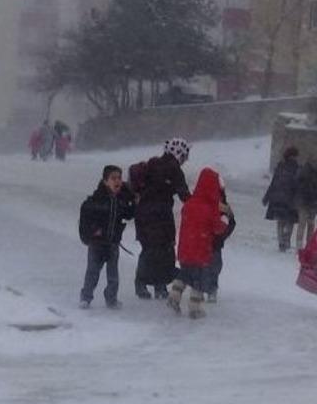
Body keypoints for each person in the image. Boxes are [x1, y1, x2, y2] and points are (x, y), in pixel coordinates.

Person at [167, 167, 229, 319]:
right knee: (199, 281)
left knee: (185, 274)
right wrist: (225, 218)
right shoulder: (211, 208)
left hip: (185, 248)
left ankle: (174, 296)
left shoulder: (189, 204)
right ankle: (195, 308)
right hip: (201, 250)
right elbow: (218, 228)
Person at [134, 137, 192, 300]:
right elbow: (185, 195)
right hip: (160, 215)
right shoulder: (174, 169)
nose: (185, 160)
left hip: (143, 213)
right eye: (185, 156)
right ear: (179, 153)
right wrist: (201, 205)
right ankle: (156, 286)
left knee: (149, 249)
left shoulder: (152, 164)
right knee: (163, 250)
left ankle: (142, 284)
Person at [78, 165, 136, 309]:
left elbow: (128, 214)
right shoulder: (95, 200)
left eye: (119, 178)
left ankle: (111, 298)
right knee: (92, 272)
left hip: (113, 244)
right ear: (105, 181)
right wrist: (92, 232)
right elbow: (85, 219)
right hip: (97, 244)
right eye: (113, 178)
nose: (117, 182)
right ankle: (86, 297)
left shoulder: (121, 200)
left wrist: (134, 202)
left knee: (113, 276)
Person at [201, 188, 236, 303]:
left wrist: (222, 236)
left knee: (211, 268)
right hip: (211, 243)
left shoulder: (222, 208)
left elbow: (231, 223)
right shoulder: (221, 207)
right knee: (209, 268)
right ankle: (207, 289)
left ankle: (208, 289)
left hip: (211, 243)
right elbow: (231, 223)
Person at [263, 146, 300, 252]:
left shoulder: (280, 166)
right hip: (290, 199)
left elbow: (273, 183)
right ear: (294, 156)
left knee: (280, 221)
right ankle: (286, 240)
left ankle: (281, 241)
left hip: (277, 198)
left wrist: (267, 197)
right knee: (290, 221)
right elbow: (297, 186)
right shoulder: (297, 168)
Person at [295, 155, 317, 250]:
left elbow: (298, 183)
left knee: (305, 224)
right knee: (308, 224)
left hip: (307, 202)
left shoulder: (305, 171)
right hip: (310, 202)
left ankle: (303, 245)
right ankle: (304, 245)